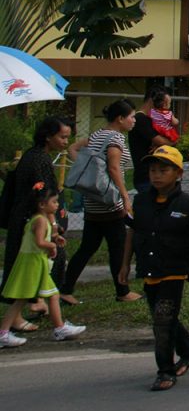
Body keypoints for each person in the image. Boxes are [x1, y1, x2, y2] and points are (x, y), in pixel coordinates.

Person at [119, 146, 189, 391]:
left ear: (178, 174)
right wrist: (124, 264)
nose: (156, 175)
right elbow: (132, 232)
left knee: (162, 321)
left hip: (174, 268)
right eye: (153, 170)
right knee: (163, 316)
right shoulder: (141, 201)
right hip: (149, 267)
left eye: (163, 170)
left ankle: (165, 371)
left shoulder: (188, 205)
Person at [61, 99, 142, 303]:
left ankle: (66, 288)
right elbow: (114, 168)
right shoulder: (116, 138)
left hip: (92, 202)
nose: (134, 121)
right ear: (120, 118)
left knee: (87, 248)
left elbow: (73, 149)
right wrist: (125, 197)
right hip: (109, 203)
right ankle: (122, 291)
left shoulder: (97, 135)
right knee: (118, 248)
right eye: (131, 117)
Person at [2, 117, 71, 328]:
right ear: (48, 137)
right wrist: (53, 226)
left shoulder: (34, 156)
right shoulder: (39, 160)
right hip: (32, 222)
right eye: (62, 137)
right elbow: (43, 195)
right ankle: (17, 317)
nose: (66, 141)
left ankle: (38, 303)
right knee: (32, 267)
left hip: (25, 219)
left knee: (33, 267)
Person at [0, 184, 86, 347]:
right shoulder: (40, 220)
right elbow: (40, 242)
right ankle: (4, 333)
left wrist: (54, 239)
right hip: (32, 264)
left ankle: (59, 327)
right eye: (54, 202)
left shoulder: (39, 219)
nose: (57, 205)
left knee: (48, 295)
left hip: (34, 263)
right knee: (25, 298)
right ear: (42, 205)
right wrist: (52, 246)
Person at [129, 88, 175, 191]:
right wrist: (172, 141)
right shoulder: (140, 119)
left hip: (158, 175)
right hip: (146, 177)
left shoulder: (154, 120)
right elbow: (161, 141)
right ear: (152, 100)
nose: (165, 108)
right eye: (163, 103)